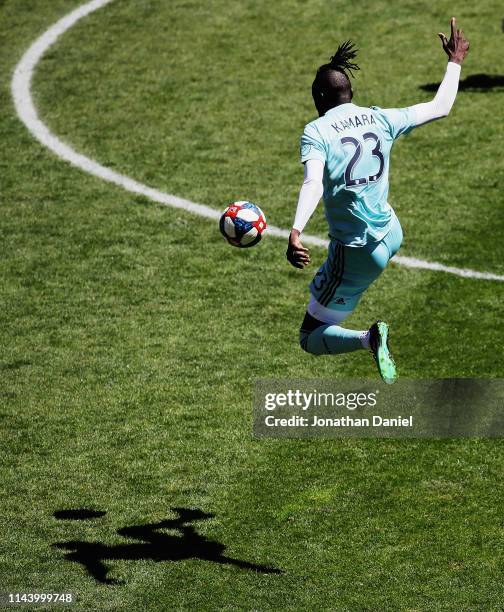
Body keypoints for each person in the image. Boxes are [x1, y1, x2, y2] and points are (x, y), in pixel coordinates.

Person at [286, 18, 469, 384]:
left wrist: (295, 231)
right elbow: (440, 106)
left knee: (310, 336)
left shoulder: (316, 131)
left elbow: (313, 183)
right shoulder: (380, 118)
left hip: (358, 250)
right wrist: (455, 61)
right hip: (392, 232)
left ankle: (369, 338)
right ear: (349, 93)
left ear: (319, 98)